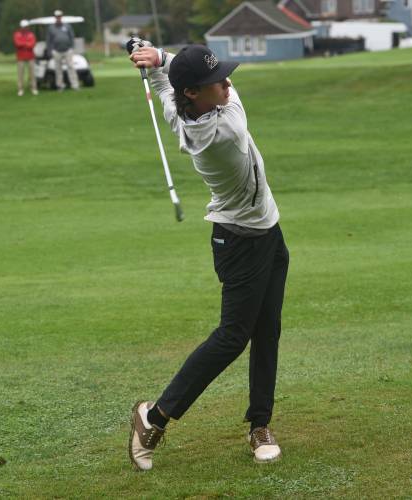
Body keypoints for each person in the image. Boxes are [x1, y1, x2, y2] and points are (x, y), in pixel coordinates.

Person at [127, 42, 289, 471]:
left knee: (267, 329)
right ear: (195, 94)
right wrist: (160, 56)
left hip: (268, 231)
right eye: (216, 81)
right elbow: (175, 78)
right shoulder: (225, 130)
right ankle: (154, 417)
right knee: (233, 336)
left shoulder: (179, 106)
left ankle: (259, 424)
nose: (227, 83)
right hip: (241, 242)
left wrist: (156, 60)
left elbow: (166, 86)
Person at [45, 10, 79, 91]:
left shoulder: (67, 26)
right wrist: (50, 50)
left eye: (59, 16)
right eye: (57, 16)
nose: (58, 18)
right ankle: (60, 85)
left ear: (61, 17)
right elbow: (48, 40)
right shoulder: (51, 28)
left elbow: (71, 37)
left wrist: (72, 47)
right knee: (58, 69)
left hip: (67, 50)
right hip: (56, 51)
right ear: (55, 17)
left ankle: (75, 84)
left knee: (71, 67)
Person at [13, 20, 37, 96]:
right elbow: (17, 44)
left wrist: (23, 43)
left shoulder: (31, 34)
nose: (25, 28)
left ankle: (33, 88)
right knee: (20, 74)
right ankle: (20, 89)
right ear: (21, 27)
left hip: (30, 56)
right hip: (20, 57)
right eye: (24, 27)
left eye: (26, 27)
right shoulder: (17, 34)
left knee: (32, 74)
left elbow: (32, 44)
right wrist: (26, 43)